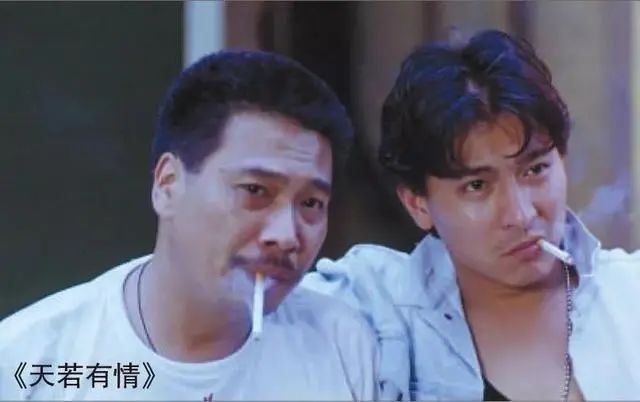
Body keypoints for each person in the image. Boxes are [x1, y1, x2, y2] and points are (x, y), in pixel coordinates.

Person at [0, 50, 378, 401]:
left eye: (311, 203)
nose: (286, 235)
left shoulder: (341, 345)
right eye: (255, 190)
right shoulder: (34, 363)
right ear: (168, 184)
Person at [302, 29, 640, 401]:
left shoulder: (628, 296)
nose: (521, 214)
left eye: (535, 170)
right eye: (477, 186)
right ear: (418, 204)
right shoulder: (375, 311)